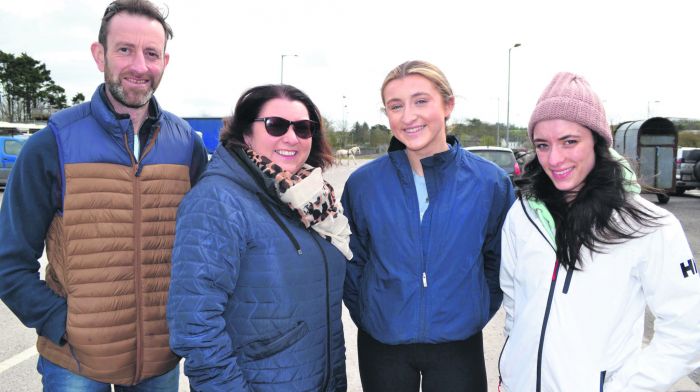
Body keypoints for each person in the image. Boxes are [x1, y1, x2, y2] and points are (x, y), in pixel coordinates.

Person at [0, 0, 208, 390]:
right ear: (100, 55)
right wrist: (59, 322)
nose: (139, 66)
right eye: (124, 50)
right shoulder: (53, 144)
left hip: (161, 358)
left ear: (165, 61)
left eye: (151, 54)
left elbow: (214, 240)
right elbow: (8, 259)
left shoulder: (187, 146)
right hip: (76, 362)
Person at [499, 72, 700, 391]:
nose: (554, 158)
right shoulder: (521, 215)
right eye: (542, 144)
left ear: (597, 141)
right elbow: (515, 307)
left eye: (569, 141)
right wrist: (509, 375)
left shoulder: (647, 225)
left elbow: (688, 329)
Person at [341, 60, 515, 392]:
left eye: (421, 101)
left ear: (447, 105)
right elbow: (355, 258)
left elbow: (498, 261)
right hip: (383, 343)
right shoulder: (364, 183)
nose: (408, 116)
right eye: (396, 106)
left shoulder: (489, 182)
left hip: (457, 344)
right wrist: (368, 312)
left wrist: (472, 311)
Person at [167, 84, 350, 391]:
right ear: (245, 133)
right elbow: (195, 323)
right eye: (276, 125)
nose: (291, 137)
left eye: (304, 128)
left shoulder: (308, 199)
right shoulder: (217, 201)